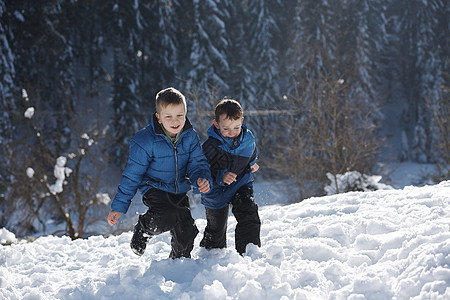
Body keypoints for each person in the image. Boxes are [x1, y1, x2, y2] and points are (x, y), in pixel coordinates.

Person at [107, 87, 212, 259]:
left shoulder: (189, 136)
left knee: (187, 232)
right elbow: (132, 176)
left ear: (185, 113)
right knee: (167, 216)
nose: (175, 121)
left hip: (178, 189)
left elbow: (197, 163)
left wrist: (201, 178)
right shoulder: (144, 140)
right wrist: (119, 207)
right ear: (159, 118)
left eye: (180, 115)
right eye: (168, 116)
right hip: (154, 187)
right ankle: (143, 228)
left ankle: (178, 263)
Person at [200, 98, 261, 255]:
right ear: (216, 124)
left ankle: (249, 252)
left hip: (240, 183)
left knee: (248, 212)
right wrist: (221, 176)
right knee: (216, 228)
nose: (232, 133)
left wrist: (252, 162)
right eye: (226, 129)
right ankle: (210, 256)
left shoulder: (247, 139)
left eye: (236, 127)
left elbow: (251, 152)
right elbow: (201, 170)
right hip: (216, 190)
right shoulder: (211, 147)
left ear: (242, 121)